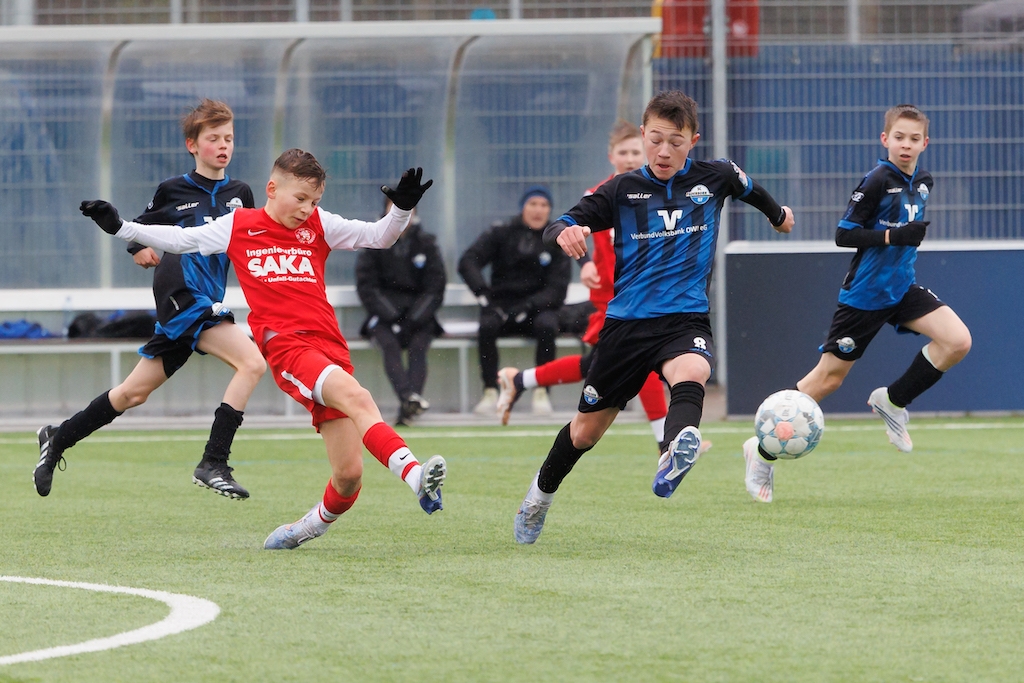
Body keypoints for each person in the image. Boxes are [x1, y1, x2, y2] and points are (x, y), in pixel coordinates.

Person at [80, 150, 446, 550]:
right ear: (272, 189)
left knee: (348, 476)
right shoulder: (239, 225)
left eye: (314, 201)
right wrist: (122, 228)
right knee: (360, 399)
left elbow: (380, 236)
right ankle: (416, 476)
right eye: (300, 199)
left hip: (330, 348)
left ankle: (302, 530)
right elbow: (181, 240)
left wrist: (402, 209)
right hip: (289, 347)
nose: (307, 209)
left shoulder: (320, 224)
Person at [512, 90, 794, 544]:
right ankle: (538, 498)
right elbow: (559, 223)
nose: (664, 151)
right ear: (643, 135)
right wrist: (565, 233)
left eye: (676, 142)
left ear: (693, 141)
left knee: (694, 369)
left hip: (685, 318)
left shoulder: (716, 176)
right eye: (656, 140)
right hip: (626, 326)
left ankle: (673, 451)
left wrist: (778, 215)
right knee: (584, 433)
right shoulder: (620, 190)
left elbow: (752, 190)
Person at [33, 99, 266, 500]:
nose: (223, 145)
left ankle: (58, 437)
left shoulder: (240, 193)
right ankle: (213, 462)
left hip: (205, 299)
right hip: (180, 292)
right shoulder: (173, 189)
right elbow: (140, 228)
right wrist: (138, 249)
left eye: (228, 138)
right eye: (213, 138)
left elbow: (248, 244)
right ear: (192, 145)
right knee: (252, 362)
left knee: (132, 393)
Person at [742, 104, 971, 504]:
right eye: (898, 137)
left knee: (957, 341)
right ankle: (760, 452)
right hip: (865, 295)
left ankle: (893, 401)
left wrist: (900, 242)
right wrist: (893, 237)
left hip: (902, 289)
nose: (906, 144)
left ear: (925, 143)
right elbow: (843, 234)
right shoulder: (876, 180)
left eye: (914, 138)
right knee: (827, 380)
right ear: (885, 139)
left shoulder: (924, 181)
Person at [496, 120, 670, 449]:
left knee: (596, 364)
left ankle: (519, 379)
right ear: (611, 156)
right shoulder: (600, 194)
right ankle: (666, 443)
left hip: (641, 294)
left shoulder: (656, 191)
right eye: (623, 152)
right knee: (642, 357)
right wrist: (586, 263)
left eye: (635, 152)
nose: (630, 158)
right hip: (612, 296)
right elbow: (573, 229)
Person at [458, 185, 572, 417]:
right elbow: (468, 261)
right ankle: (490, 390)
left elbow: (557, 289)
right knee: (487, 325)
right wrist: (483, 294)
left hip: (537, 309)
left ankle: (542, 391)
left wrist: (530, 305)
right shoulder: (502, 233)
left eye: (544, 205)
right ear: (523, 207)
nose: (538, 210)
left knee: (548, 325)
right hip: (502, 305)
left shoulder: (556, 239)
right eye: (533, 204)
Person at [356, 199, 446, 426]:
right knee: (389, 346)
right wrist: (392, 316)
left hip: (420, 317)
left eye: (408, 209)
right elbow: (367, 287)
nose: (402, 213)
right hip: (384, 316)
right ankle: (408, 398)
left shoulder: (426, 243)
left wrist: (415, 318)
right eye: (395, 207)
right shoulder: (374, 242)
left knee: (418, 347)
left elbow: (436, 286)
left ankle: (409, 404)